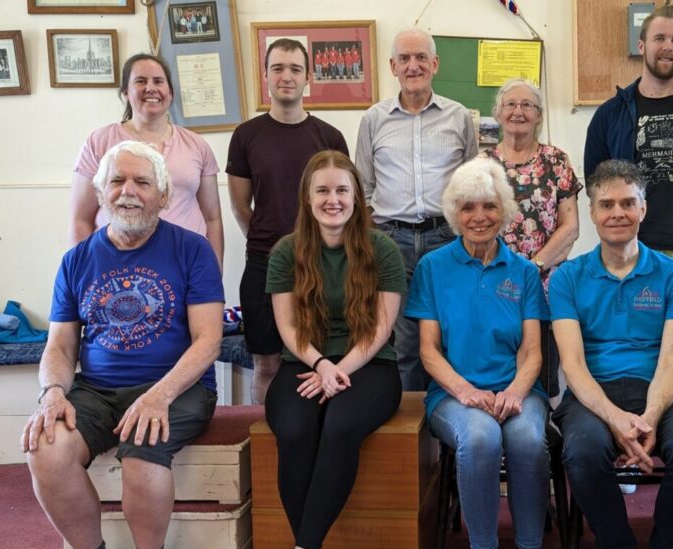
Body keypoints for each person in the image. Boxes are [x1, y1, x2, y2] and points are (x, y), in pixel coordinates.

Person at [22, 140, 224, 549]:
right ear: (100, 193)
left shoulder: (193, 249)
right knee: (46, 447)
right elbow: (59, 346)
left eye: (142, 182)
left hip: (177, 387)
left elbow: (208, 340)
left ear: (164, 196)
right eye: (117, 180)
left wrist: (159, 395)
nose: (127, 191)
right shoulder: (76, 260)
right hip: (97, 389)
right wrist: (52, 392)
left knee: (143, 445)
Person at [550, 160, 673, 549]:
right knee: (583, 452)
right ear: (591, 212)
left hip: (656, 389)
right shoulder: (568, 277)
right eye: (606, 204)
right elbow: (571, 363)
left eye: (628, 202)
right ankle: (616, 547)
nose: (617, 213)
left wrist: (649, 417)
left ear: (644, 208)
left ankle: (668, 547)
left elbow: (671, 359)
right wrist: (615, 418)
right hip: (592, 393)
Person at [405, 157, 556, 549]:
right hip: (453, 395)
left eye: (489, 206)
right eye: (468, 207)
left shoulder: (524, 271)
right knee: (480, 437)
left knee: (527, 439)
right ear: (454, 213)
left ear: (504, 211)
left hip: (519, 389)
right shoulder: (432, 268)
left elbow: (532, 352)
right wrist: (466, 392)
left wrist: (515, 392)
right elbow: (429, 351)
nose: (479, 217)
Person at [264, 151, 404, 549]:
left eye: (342, 190)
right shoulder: (286, 252)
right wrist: (322, 365)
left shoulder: (383, 249)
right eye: (322, 190)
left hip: (371, 364)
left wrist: (340, 369)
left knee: (341, 425)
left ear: (357, 197)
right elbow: (288, 330)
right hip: (305, 361)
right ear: (307, 199)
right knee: (293, 429)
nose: (333, 199)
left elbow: (379, 329)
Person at [356, 27, 478, 391]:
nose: (413, 66)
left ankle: (454, 431)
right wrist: (371, 242)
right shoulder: (373, 120)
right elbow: (363, 189)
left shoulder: (458, 118)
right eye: (405, 59)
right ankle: (415, 438)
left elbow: (471, 186)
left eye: (421, 57)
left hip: (447, 238)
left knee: (454, 334)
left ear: (435, 64)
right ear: (393, 66)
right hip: (390, 240)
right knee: (406, 343)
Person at [227, 38, 348, 404]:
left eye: (295, 69)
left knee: (321, 361)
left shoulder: (330, 137)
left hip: (322, 264)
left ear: (307, 77)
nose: (286, 76)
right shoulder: (246, 136)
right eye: (277, 68)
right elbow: (239, 207)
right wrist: (278, 250)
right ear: (265, 76)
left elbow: (343, 203)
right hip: (264, 263)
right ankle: (266, 450)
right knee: (266, 365)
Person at [584, 3, 673, 259]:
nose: (668, 46)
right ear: (642, 45)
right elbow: (595, 183)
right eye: (659, 38)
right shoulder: (610, 114)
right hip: (633, 249)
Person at [69, 53, 224, 269]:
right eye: (141, 81)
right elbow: (81, 220)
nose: (150, 88)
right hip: (114, 264)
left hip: (184, 265)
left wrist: (213, 272)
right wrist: (84, 273)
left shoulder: (197, 145)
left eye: (158, 81)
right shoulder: (99, 142)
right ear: (125, 93)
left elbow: (213, 219)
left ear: (170, 93)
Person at [483, 77, 581, 398]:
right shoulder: (482, 165)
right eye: (510, 104)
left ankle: (541, 435)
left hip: (546, 282)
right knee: (497, 365)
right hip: (495, 281)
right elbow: (474, 227)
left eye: (527, 105)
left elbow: (570, 228)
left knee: (543, 375)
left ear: (539, 115)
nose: (518, 111)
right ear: (498, 114)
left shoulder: (556, 161)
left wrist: (533, 266)